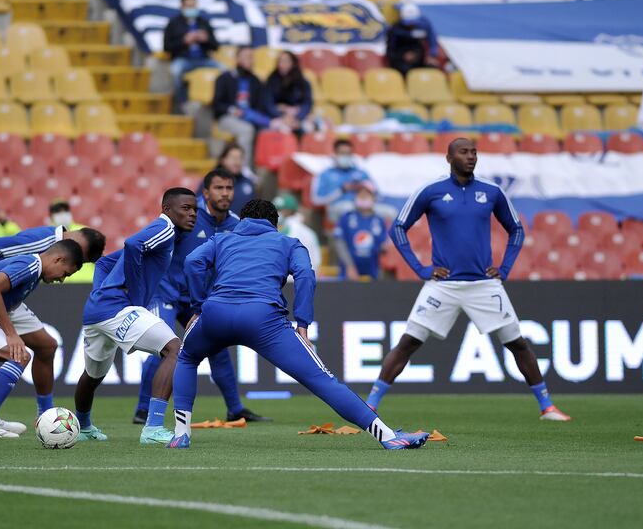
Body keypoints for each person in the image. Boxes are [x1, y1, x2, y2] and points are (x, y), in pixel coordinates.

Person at [170, 198, 431, 450]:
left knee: (187, 357)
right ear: (275, 223)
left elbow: (193, 262)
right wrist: (303, 322)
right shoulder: (288, 242)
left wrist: (198, 305)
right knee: (322, 380)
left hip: (216, 313)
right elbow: (306, 275)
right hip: (263, 319)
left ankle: (181, 434)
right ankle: (386, 436)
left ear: (244, 221)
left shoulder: (222, 239)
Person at [368, 137, 570, 421]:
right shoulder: (431, 191)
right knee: (408, 342)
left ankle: (547, 407)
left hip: (484, 284)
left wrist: (505, 268)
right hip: (443, 284)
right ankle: (371, 404)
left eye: (474, 152)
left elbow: (517, 229)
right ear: (449, 157)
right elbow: (398, 227)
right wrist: (421, 269)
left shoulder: (491, 191)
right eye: (464, 152)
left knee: (517, 343)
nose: (471, 157)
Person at [134, 169, 268, 425]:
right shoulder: (188, 217)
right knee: (161, 345)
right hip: (168, 293)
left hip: (200, 299)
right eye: (219, 188)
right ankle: (142, 409)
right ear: (205, 192)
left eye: (229, 188)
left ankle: (235, 408)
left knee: (217, 349)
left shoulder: (237, 225)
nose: (225, 193)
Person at [0, 221, 103, 432]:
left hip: (11, 299)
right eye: (77, 259)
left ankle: (45, 418)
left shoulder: (54, 251)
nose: (74, 263)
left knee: (47, 346)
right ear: (74, 242)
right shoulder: (41, 241)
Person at [74, 188, 196, 445]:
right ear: (167, 209)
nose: (192, 214)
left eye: (194, 209)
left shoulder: (166, 234)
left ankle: (83, 427)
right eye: (185, 208)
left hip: (97, 310)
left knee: (93, 375)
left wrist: (100, 292)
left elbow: (104, 264)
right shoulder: (163, 229)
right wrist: (137, 296)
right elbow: (133, 245)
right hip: (117, 309)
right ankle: (152, 428)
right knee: (175, 349)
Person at [212, 48, 272, 167]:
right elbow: (217, 104)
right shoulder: (225, 78)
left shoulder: (256, 81)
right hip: (227, 118)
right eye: (246, 57)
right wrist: (233, 110)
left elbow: (261, 106)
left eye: (251, 57)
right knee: (246, 130)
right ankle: (244, 169)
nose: (250, 60)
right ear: (237, 59)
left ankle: (261, 170)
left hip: (251, 117)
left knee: (268, 132)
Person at [165, 0, 221, 107]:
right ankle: (181, 104)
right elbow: (167, 47)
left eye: (193, 6)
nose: (191, 9)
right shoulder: (173, 23)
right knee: (175, 71)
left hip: (203, 59)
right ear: (182, 6)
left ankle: (219, 103)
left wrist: (206, 40)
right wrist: (184, 41)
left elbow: (215, 46)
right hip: (183, 59)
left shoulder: (203, 22)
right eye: (188, 6)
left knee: (225, 71)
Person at [332, 182, 388, 280]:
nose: (362, 197)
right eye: (360, 194)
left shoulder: (379, 220)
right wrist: (349, 266)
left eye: (366, 195)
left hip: (372, 272)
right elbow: (339, 242)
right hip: (348, 273)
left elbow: (383, 245)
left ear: (374, 197)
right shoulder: (347, 217)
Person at [310, 138, 372, 222]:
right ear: (335, 154)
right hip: (336, 208)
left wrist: (364, 188)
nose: (345, 157)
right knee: (348, 209)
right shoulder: (325, 174)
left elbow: (377, 193)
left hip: (363, 206)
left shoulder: (361, 173)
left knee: (390, 212)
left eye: (348, 154)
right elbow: (316, 200)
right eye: (342, 153)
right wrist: (341, 190)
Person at [263, 51, 315, 133]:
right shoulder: (271, 81)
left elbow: (307, 103)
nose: (282, 64)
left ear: (293, 63)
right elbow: (268, 103)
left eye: (286, 61)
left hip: (298, 116)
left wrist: (298, 116)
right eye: (280, 61)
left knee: (308, 128)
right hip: (279, 116)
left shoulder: (303, 82)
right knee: (284, 130)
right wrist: (282, 116)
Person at [385, 3, 440, 76]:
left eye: (414, 22)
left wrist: (432, 56)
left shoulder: (425, 24)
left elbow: (432, 40)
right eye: (408, 22)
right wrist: (402, 57)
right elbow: (390, 51)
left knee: (432, 68)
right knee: (405, 70)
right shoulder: (395, 30)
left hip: (419, 57)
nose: (411, 25)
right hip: (401, 61)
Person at [274, 192, 319, 272]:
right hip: (305, 279)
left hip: (288, 280)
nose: (277, 213)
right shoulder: (310, 232)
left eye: (280, 210)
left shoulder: (285, 229)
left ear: (289, 210)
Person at [211, 143, 256, 215]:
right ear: (223, 160)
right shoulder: (211, 181)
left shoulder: (248, 183)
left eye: (240, 158)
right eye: (233, 158)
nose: (237, 162)